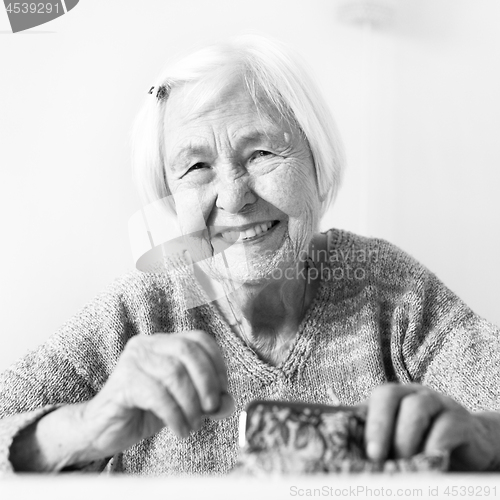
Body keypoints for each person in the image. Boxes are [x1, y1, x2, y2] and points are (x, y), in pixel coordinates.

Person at [1, 35, 499, 475]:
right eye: (196, 166)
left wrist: (482, 437)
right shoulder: (139, 314)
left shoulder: (388, 290)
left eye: (261, 153)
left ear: (316, 165)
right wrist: (85, 428)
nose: (235, 196)